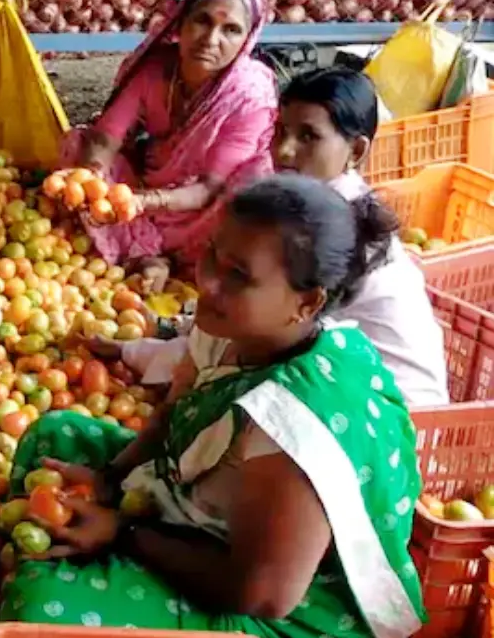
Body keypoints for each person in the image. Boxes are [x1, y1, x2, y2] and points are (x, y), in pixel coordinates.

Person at [1, 175, 424, 638]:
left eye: (239, 275)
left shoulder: (293, 425)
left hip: (277, 618)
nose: (208, 282)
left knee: (40, 612)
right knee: (54, 435)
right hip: (199, 512)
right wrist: (109, 480)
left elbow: (261, 593)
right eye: (212, 256)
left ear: (307, 303)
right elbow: (174, 412)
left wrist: (124, 533)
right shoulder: (232, 329)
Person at [109, 68, 449, 405]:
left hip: (390, 419)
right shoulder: (317, 208)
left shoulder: (329, 230)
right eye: (281, 131)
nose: (284, 151)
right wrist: (170, 333)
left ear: (357, 151)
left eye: (308, 137)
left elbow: (248, 340)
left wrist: (134, 352)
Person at [62, 0, 277, 279]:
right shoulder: (157, 68)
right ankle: (147, 254)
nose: (211, 39)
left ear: (247, 40)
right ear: (180, 23)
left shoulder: (249, 95)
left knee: (250, 188)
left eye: (231, 30)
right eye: (202, 21)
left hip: (203, 210)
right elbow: (106, 138)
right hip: (148, 184)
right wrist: (91, 178)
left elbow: (209, 188)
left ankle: (158, 255)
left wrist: (143, 202)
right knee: (77, 145)